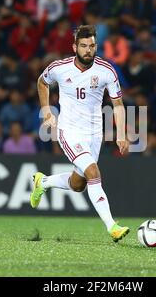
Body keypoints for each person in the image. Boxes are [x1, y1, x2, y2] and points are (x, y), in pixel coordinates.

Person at [31, 25, 130, 242]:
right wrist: (47, 111)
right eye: (84, 46)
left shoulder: (107, 71)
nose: (88, 50)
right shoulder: (59, 67)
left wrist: (121, 133)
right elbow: (42, 82)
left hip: (95, 135)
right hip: (69, 131)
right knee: (93, 172)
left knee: (79, 184)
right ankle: (112, 227)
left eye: (92, 46)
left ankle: (43, 182)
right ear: (74, 46)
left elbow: (119, 105)